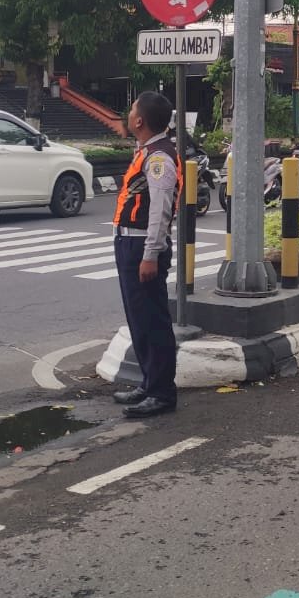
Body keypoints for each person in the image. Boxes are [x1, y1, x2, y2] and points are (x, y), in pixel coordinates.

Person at [111, 91, 181, 419]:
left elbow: (160, 211)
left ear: (140, 121)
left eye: (132, 110)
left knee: (153, 320)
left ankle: (162, 392)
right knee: (138, 318)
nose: (128, 114)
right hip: (129, 244)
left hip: (142, 246)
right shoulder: (148, 151)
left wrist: (151, 254)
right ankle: (149, 382)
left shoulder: (159, 158)